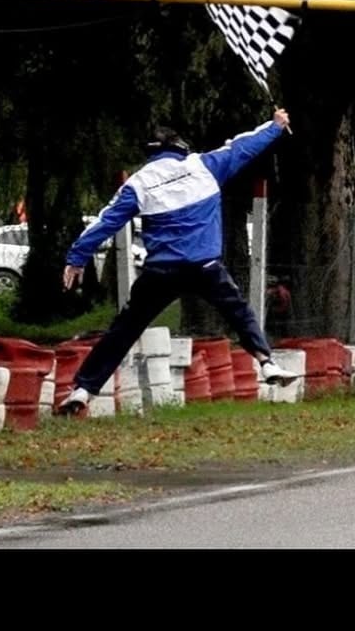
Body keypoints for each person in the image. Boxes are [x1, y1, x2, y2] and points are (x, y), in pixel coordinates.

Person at [57, 109, 299, 416]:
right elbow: (244, 146)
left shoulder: (138, 184)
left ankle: (83, 389)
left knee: (124, 330)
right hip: (205, 267)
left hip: (161, 272)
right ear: (180, 147)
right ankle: (266, 361)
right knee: (238, 312)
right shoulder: (204, 166)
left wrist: (76, 258)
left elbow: (105, 223)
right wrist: (276, 126)